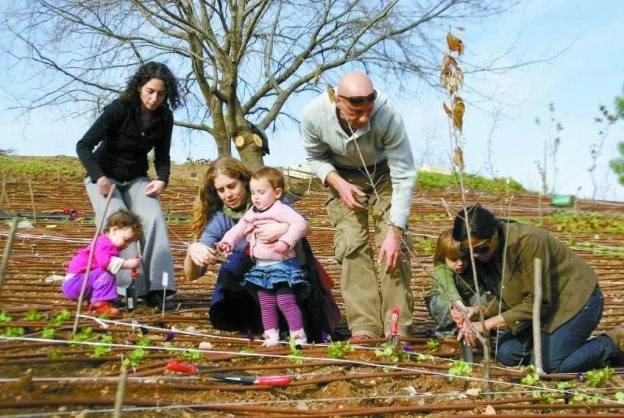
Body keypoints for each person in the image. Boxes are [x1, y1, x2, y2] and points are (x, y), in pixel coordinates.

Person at [301, 71, 416, 341]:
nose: (365, 118)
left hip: (385, 174)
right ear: (338, 100)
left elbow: (404, 173)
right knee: (351, 245)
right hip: (342, 175)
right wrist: (338, 184)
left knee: (393, 249)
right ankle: (365, 327)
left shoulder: (387, 114)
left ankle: (397, 327)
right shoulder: (313, 115)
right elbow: (314, 158)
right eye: (357, 111)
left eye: (368, 110)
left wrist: (395, 230)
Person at [451, 204, 624, 373]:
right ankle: (552, 343)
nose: (475, 255)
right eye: (469, 250)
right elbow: (509, 299)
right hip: (539, 310)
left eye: (481, 248)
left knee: (549, 366)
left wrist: (485, 325)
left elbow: (537, 303)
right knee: (507, 354)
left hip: (575, 301)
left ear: (494, 233)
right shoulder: (484, 257)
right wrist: (476, 310)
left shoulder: (527, 241)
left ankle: (613, 342)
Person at [184, 156, 340, 342]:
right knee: (234, 263)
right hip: (250, 286)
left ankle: (295, 327)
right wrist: (194, 251)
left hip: (285, 277)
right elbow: (192, 274)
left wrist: (284, 230)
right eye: (221, 190)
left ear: (245, 182)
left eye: (232, 186)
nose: (228, 194)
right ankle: (266, 326)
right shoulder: (220, 219)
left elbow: (305, 226)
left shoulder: (270, 203)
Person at [76, 61, 181, 311]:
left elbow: (163, 155)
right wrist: (98, 176)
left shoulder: (165, 117)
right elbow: (83, 145)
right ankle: (128, 290)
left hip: (136, 178)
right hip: (104, 177)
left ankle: (159, 288)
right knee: (122, 229)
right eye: (150, 91)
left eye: (161, 93)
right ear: (138, 87)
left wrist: (162, 179)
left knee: (154, 218)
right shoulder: (119, 109)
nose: (154, 98)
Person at [217, 167, 309, 346]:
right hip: (261, 267)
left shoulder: (280, 209)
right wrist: (228, 241)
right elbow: (239, 228)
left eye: (261, 192)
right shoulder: (253, 212)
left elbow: (300, 224)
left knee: (285, 302)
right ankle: (271, 338)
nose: (255, 197)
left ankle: (298, 337)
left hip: (282, 266)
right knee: (266, 304)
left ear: (277, 192)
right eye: (252, 193)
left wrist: (286, 241)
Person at [62, 209, 143, 318]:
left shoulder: (108, 245)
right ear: (114, 230)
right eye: (126, 240)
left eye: (130, 242)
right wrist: (127, 264)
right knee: (106, 272)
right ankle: (100, 305)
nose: (127, 245)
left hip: (80, 282)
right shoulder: (103, 242)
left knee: (104, 273)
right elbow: (105, 263)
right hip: (75, 283)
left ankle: (94, 305)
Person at [425, 229, 488, 336]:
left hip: (469, 303)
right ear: (443, 257)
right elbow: (448, 287)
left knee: (483, 299)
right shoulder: (442, 268)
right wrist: (459, 306)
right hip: (446, 301)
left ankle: (478, 328)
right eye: (454, 259)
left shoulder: (475, 264)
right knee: (442, 304)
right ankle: (447, 331)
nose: (460, 263)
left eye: (464, 258)